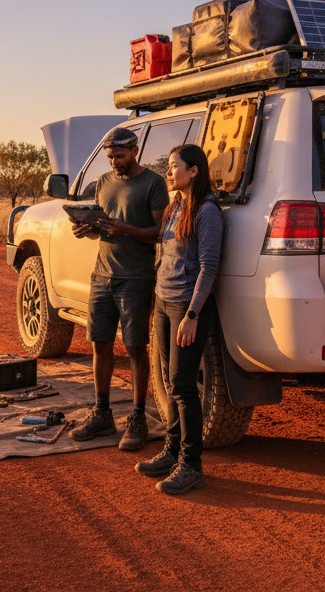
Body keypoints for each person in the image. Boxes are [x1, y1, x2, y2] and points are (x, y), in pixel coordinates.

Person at [69, 127, 168, 451]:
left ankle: (138, 417)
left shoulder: (153, 183)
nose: (114, 163)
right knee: (99, 344)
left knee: (136, 347)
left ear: (135, 151)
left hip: (136, 278)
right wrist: (88, 229)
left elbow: (159, 233)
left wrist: (126, 229)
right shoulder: (104, 183)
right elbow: (103, 227)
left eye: (120, 156)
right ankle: (102, 413)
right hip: (102, 275)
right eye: (110, 157)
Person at [135, 143, 221, 495]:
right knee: (171, 385)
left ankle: (191, 464)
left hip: (187, 306)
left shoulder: (207, 211)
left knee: (183, 387)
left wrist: (192, 315)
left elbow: (208, 268)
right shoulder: (176, 206)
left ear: (194, 171)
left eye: (173, 167)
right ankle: (172, 452)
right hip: (165, 302)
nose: (168, 172)